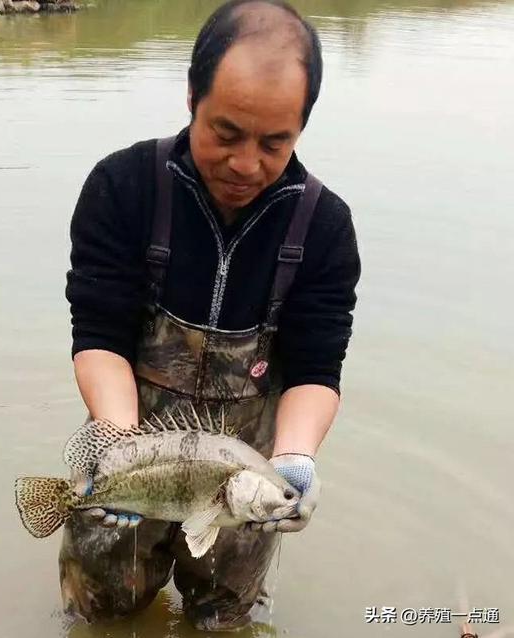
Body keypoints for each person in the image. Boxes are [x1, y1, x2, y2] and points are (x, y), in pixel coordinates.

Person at [60, 0, 361, 631]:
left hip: (243, 476)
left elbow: (315, 367)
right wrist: (117, 445)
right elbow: (98, 335)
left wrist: (294, 459)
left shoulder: (325, 228)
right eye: (226, 133)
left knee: (227, 625)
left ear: (302, 125)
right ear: (193, 94)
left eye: (274, 142)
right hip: (135, 452)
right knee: (101, 616)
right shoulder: (123, 187)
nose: (246, 165)